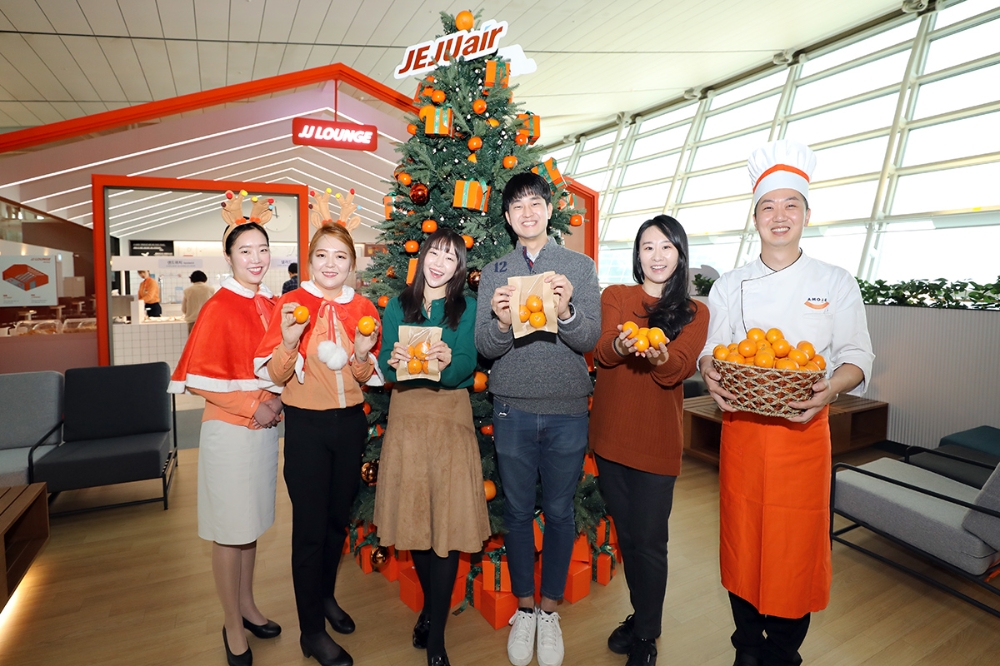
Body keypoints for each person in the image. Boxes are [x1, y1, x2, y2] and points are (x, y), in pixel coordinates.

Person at [697, 140, 874, 666]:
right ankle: (747, 646)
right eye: (768, 206)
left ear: (806, 214)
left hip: (805, 436)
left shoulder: (836, 282)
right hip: (745, 435)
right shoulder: (730, 285)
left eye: (790, 205)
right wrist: (711, 374)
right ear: (754, 217)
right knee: (745, 542)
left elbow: (858, 356)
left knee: (795, 549)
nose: (780, 216)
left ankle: (784, 653)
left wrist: (830, 387)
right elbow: (712, 353)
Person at [475, 172, 601, 666]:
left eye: (536, 204)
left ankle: (549, 612)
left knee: (561, 511)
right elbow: (486, 348)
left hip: (568, 408)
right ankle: (524, 607)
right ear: (508, 218)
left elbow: (589, 339)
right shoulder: (495, 270)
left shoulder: (578, 267)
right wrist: (503, 322)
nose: (527, 213)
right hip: (511, 407)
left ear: (549, 211)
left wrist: (567, 310)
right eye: (517, 207)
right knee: (518, 511)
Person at [255, 221, 382, 666]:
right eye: (323, 255)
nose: (332, 264)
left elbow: (369, 377)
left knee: (335, 523)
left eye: (341, 257)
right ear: (311, 260)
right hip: (307, 428)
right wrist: (288, 344)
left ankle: (325, 597)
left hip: (350, 427)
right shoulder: (291, 304)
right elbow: (272, 374)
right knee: (309, 531)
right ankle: (311, 631)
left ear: (351, 263)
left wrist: (363, 355)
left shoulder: (363, 306)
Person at [589, 215, 709, 666]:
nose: (656, 256)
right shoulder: (617, 296)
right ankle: (642, 617)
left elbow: (678, 367)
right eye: (647, 247)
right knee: (627, 536)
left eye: (666, 247)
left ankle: (647, 635)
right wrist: (622, 347)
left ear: (680, 255)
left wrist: (658, 357)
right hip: (610, 437)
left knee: (650, 542)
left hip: (657, 443)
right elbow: (602, 352)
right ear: (637, 255)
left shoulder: (696, 312)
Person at [168, 201, 284, 666]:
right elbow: (200, 378)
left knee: (250, 524)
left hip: (261, 431)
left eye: (262, 250)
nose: (255, 259)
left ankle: (248, 605)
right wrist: (259, 405)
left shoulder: (270, 304)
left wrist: (273, 403)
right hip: (231, 433)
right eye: (245, 251)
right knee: (229, 531)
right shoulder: (219, 306)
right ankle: (232, 624)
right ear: (229, 257)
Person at [374, 228, 491, 666]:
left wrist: (443, 364)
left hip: (448, 417)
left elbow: (467, 363)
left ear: (459, 267)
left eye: (450, 257)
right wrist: (394, 361)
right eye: (434, 254)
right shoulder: (398, 305)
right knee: (417, 523)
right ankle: (430, 608)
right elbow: (387, 354)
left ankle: (437, 633)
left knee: (445, 527)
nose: (439, 263)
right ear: (423, 257)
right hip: (407, 418)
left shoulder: (468, 307)